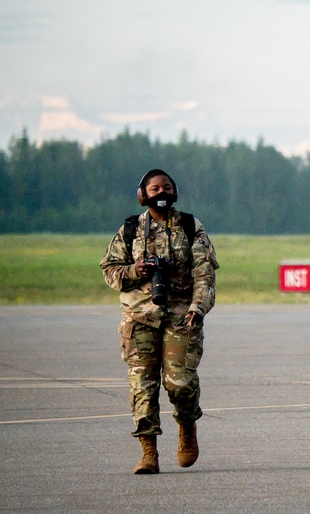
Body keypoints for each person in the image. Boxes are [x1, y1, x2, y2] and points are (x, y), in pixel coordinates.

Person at [100, 169, 219, 474]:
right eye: (154, 188)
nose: (161, 192)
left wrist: (198, 307)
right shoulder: (130, 230)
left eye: (166, 187)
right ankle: (148, 452)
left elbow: (205, 274)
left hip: (182, 316)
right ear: (143, 194)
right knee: (142, 386)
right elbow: (109, 269)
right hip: (139, 318)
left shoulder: (190, 226)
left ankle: (187, 426)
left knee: (180, 383)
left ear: (175, 191)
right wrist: (134, 271)